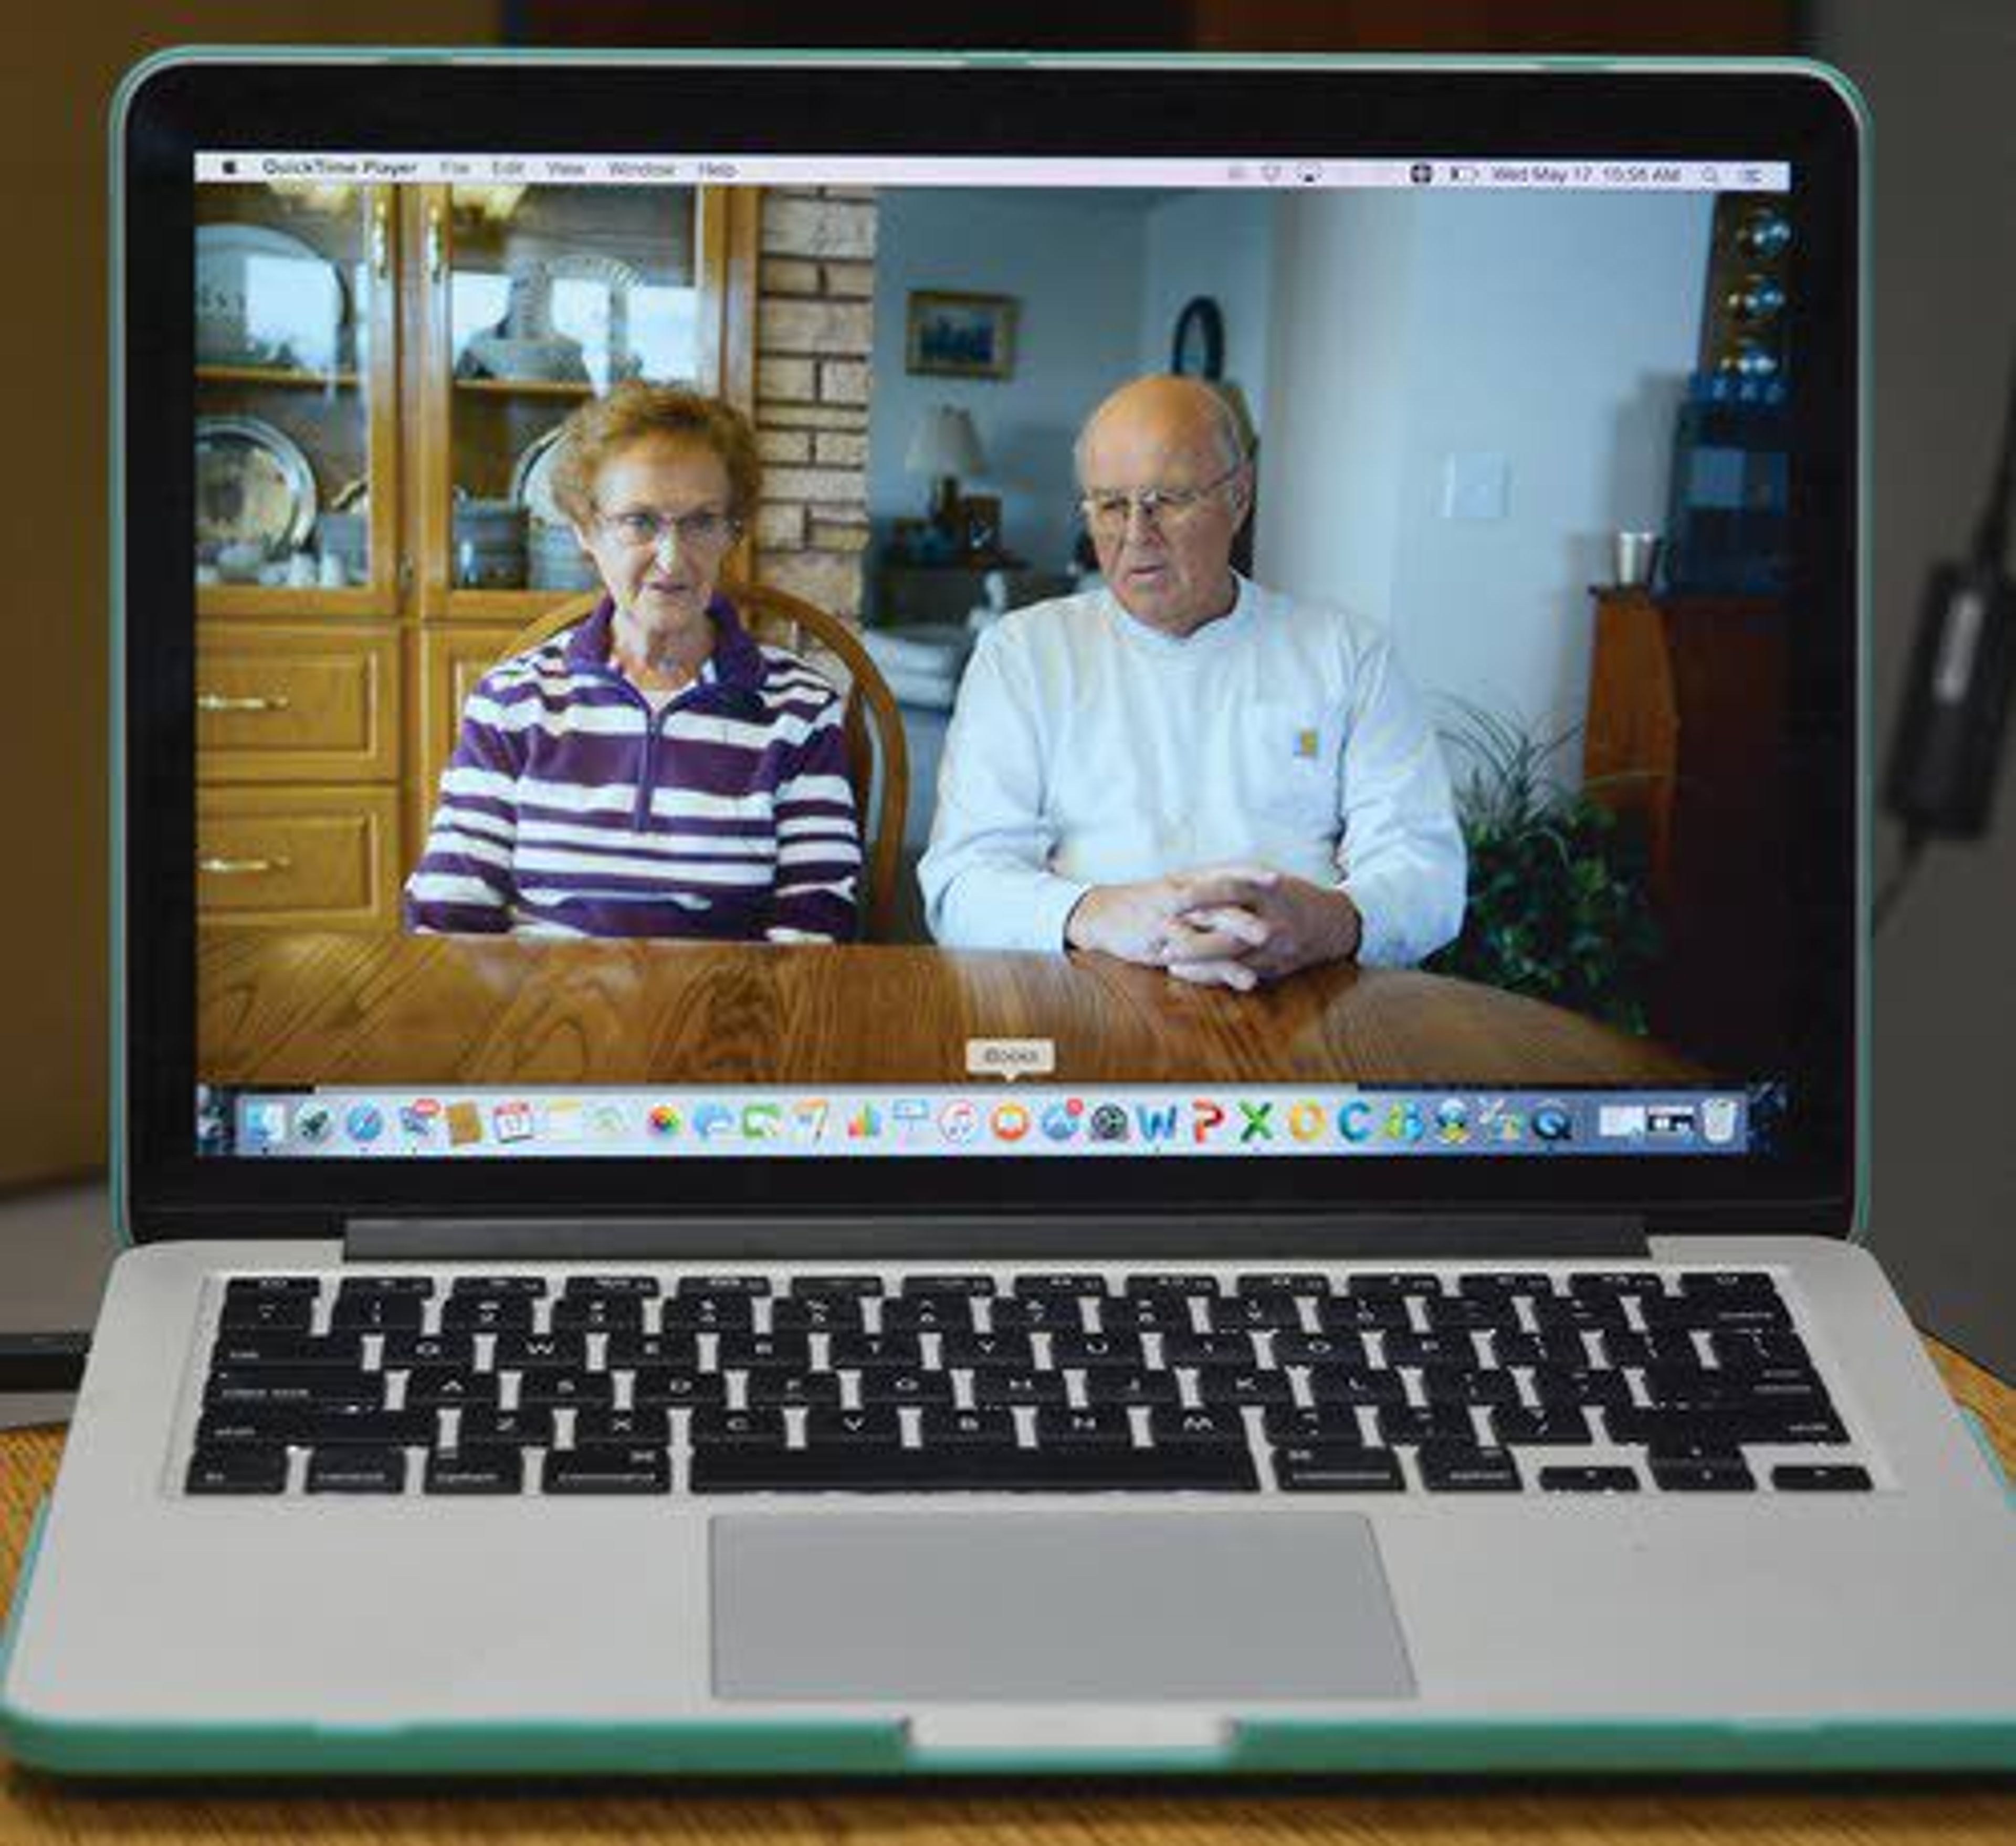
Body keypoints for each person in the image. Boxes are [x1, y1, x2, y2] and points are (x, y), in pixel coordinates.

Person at [918, 375, 1463, 989]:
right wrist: (1095, 912)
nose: (1134, 534)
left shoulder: (1347, 654)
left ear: (1239, 497)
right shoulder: (1022, 653)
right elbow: (961, 883)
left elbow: (1428, 873)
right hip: (1085, 990)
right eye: (1110, 504)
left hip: (1307, 997)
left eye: (1167, 500)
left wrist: (1329, 921)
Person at [404, 383, 861, 942]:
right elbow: (449, 907)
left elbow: (817, 920)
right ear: (585, 531)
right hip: (539, 1012)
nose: (672, 559)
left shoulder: (800, 709)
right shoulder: (513, 702)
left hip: (726, 1016)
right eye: (640, 521)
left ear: (731, 533)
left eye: (701, 522)